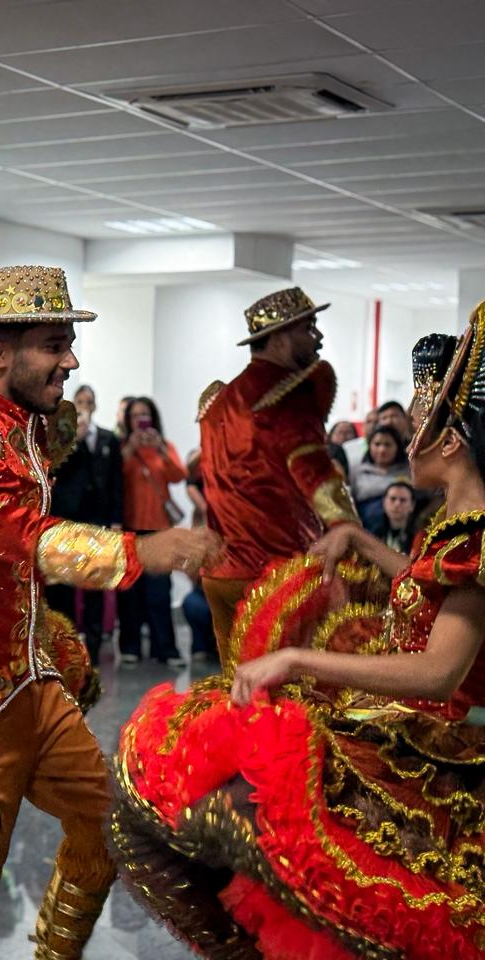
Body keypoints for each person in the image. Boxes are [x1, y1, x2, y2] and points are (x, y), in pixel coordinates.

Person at [111, 320, 485, 960]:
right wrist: (362, 540)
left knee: (229, 826)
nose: (396, 434)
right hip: (387, 730)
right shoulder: (452, 522)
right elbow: (425, 586)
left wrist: (296, 656)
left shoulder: (477, 539)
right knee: (154, 807)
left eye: (419, 420)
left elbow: (438, 673)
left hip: (433, 757)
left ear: (449, 440)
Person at [0, 265, 219, 960]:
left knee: (105, 827)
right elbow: (10, 532)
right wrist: (142, 551)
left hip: (25, 674)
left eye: (68, 342)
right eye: (53, 343)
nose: (70, 360)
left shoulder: (27, 423)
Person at [199, 287, 359, 671]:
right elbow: (318, 476)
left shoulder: (217, 401)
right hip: (275, 576)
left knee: (236, 690)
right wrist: (351, 533)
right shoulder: (290, 395)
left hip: (219, 573)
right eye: (310, 327)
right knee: (289, 700)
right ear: (281, 335)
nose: (317, 337)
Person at [46, 384, 123, 662]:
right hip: (67, 518)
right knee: (62, 583)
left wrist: (116, 519)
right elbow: (56, 473)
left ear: (95, 405)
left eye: (89, 401)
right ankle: (64, 642)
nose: (84, 406)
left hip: (97, 519)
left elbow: (116, 481)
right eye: (79, 401)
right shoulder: (61, 439)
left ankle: (92, 642)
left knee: (94, 583)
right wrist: (71, 441)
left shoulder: (106, 438)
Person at [118, 396, 187, 667]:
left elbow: (179, 475)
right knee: (130, 592)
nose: (140, 420)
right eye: (135, 416)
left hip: (159, 530)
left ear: (153, 418)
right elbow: (113, 476)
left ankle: (166, 649)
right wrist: (127, 450)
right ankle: (130, 647)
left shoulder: (164, 447)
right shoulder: (122, 447)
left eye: (145, 415)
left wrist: (160, 450)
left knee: (159, 593)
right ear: (128, 420)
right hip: (129, 529)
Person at [182, 449, 215, 662]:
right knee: (194, 602)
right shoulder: (198, 524)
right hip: (204, 592)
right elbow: (191, 572)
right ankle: (201, 645)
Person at [350, 424, 410, 527]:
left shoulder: (409, 471)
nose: (382, 450)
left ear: (398, 446)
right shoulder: (358, 472)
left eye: (388, 444)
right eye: (377, 444)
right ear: (369, 446)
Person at [367, 477, 418, 553]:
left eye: (403, 500)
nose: (397, 504)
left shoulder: (419, 537)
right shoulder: (372, 534)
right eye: (392, 499)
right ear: (384, 502)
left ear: (412, 506)